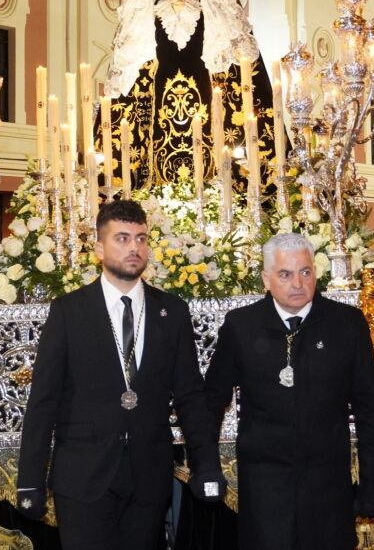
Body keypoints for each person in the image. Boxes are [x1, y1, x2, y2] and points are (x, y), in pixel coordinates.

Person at [15, 200, 224, 550]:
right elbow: (43, 401)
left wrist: (207, 467)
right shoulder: (69, 311)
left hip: (148, 477)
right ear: (99, 248)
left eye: (141, 239)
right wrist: (29, 480)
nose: (134, 248)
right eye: (122, 238)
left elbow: (190, 396)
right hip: (83, 475)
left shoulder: (171, 312)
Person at [203, 232, 374, 549]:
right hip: (264, 482)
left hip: (328, 480)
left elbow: (370, 407)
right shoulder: (241, 325)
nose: (298, 284)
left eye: (305, 272)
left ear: (315, 272)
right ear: (266, 279)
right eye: (285, 275)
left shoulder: (346, 323)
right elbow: (211, 401)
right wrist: (206, 467)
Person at [105, 0, 273, 188]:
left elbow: (224, 17)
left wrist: (193, 6)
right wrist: (165, 8)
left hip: (203, 64)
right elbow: (137, 23)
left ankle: (220, 181)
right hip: (162, 66)